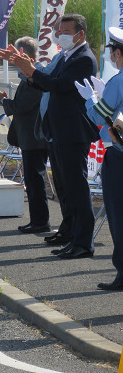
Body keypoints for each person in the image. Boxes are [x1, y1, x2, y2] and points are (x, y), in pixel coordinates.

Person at [10, 13, 99, 259]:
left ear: (80, 34)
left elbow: (58, 85)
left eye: (66, 32)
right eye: (59, 31)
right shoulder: (66, 55)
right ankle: (70, 234)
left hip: (73, 131)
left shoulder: (84, 59)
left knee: (77, 188)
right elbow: (46, 82)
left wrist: (31, 71)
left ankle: (83, 242)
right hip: (59, 130)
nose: (60, 36)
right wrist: (28, 71)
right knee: (65, 187)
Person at [0, 37, 50, 234]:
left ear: (30, 58)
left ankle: (40, 222)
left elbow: (22, 106)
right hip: (28, 136)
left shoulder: (35, 78)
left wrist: (3, 102)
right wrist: (5, 100)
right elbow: (21, 104)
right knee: (31, 180)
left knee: (35, 180)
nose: (14, 60)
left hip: (35, 138)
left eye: (18, 57)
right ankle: (37, 220)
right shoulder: (28, 77)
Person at [76, 27, 123, 289]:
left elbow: (97, 117)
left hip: (118, 154)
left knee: (118, 215)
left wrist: (91, 99)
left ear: (117, 52)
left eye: (112, 52)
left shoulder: (118, 81)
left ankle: (122, 274)